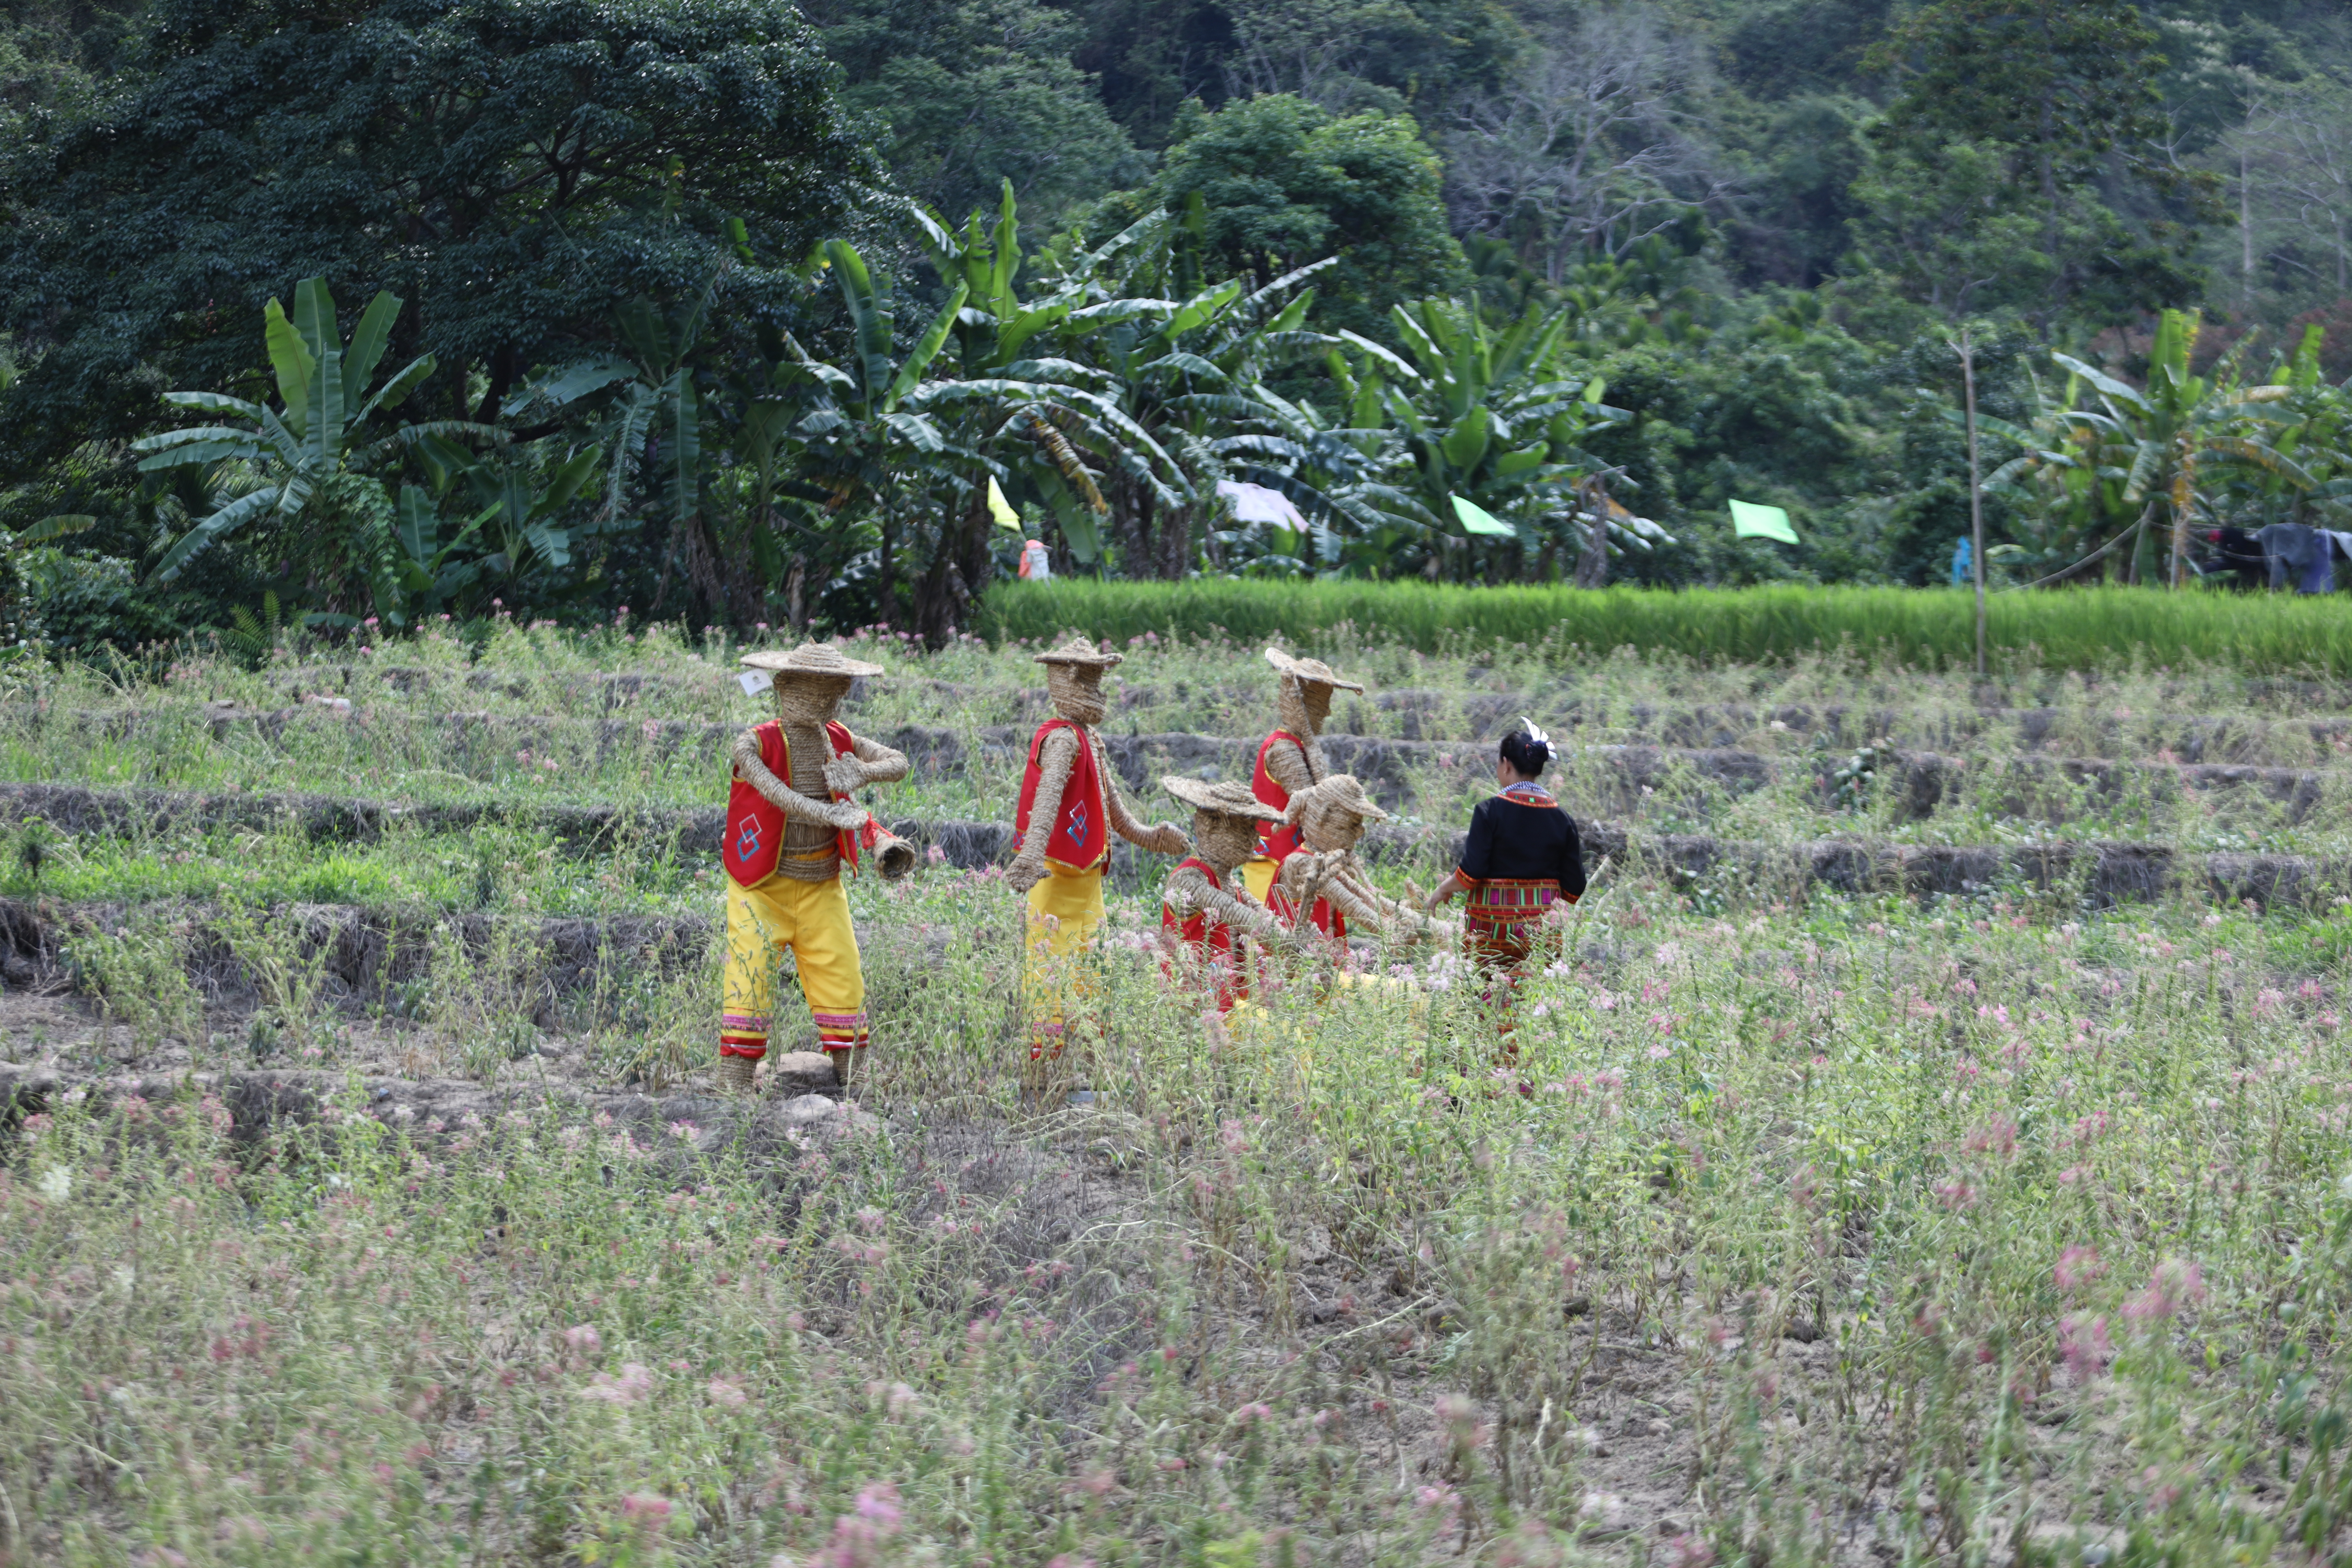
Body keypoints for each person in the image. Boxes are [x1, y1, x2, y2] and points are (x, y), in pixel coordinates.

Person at [719, 643, 912, 1093]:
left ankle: (857, 1090)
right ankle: (732, 1090)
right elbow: (777, 795)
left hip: (822, 883)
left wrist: (861, 775)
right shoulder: (754, 743)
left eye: (832, 691)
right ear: (784, 685)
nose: (823, 700)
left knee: (843, 978)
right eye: (812, 689)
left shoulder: (840, 737)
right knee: (749, 982)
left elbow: (898, 762)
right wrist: (833, 814)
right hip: (760, 885)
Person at [1008, 636, 1189, 1059]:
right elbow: (1047, 801)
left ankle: (1082, 1070)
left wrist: (1154, 837)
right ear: (1066, 680)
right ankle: (1043, 1074)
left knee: (1092, 973)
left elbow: (1116, 815)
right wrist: (1031, 856)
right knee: (1049, 977)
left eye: (1100, 681)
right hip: (1055, 882)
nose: (1100, 692)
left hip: (1088, 887)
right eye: (1090, 681)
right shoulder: (1064, 740)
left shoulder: (1090, 739)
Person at [1424, 720, 1586, 1055]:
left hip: (1490, 930)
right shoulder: (1563, 819)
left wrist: (1443, 889)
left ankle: (1481, 1069)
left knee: (1485, 997)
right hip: (1542, 933)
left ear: (1505, 765)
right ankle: (1522, 1072)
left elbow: (1472, 873)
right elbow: (1575, 887)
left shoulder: (1490, 811)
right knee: (1529, 1004)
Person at [1243, 647, 1367, 936]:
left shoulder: (1298, 746)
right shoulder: (1284, 749)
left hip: (1299, 860)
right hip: (1277, 861)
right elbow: (1313, 803)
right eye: (1322, 705)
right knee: (1281, 938)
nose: (1328, 712)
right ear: (1307, 707)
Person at [1272, 774, 1453, 951]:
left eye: (1359, 825)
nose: (1359, 832)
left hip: (1321, 963)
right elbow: (1354, 906)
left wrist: (1419, 920)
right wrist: (1392, 932)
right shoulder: (1302, 863)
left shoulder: (1329, 861)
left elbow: (1368, 900)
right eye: (1349, 826)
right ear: (1323, 819)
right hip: (1294, 966)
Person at [1158, 777, 1292, 1014]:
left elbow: (1259, 914)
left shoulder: (1230, 882)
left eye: (1253, 830)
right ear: (1209, 826)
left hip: (1229, 998)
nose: (1253, 840)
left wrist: (1291, 938)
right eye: (1242, 830)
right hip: (1198, 1004)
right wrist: (1287, 942)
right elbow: (1239, 914)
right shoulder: (1188, 879)